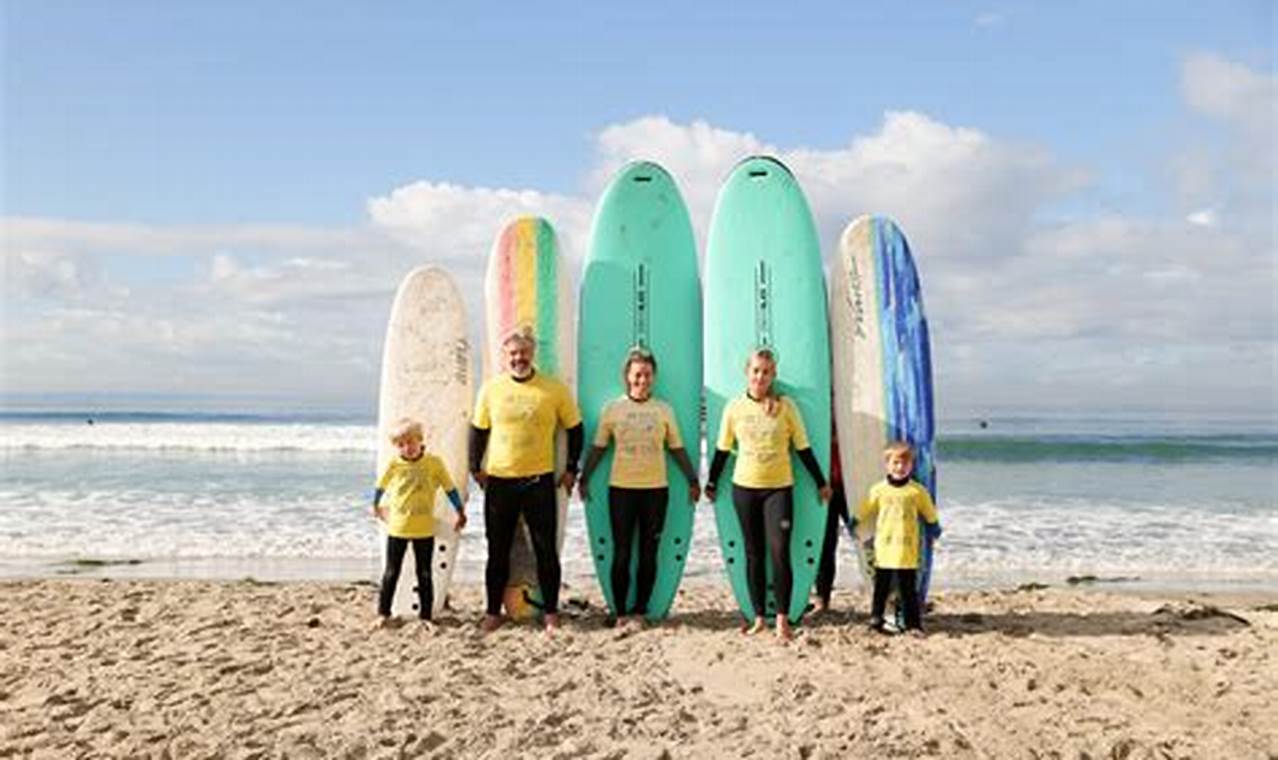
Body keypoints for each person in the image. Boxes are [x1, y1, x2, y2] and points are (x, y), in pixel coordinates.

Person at [704, 347, 833, 641]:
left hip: (778, 489)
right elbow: (723, 450)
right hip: (744, 488)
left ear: (773, 375)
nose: (760, 377)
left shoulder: (786, 407)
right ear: (747, 373)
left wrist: (820, 482)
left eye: (766, 372)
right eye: (756, 371)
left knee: (779, 552)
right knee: (753, 553)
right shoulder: (734, 408)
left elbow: (803, 448)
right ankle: (759, 617)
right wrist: (711, 482)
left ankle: (783, 621)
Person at [469, 326, 584, 634]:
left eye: (523, 352)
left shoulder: (553, 390)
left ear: (533, 354)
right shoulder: (491, 390)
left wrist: (573, 468)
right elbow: (478, 430)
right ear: (505, 356)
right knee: (497, 550)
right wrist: (474, 468)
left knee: (545, 550)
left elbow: (575, 429)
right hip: (500, 481)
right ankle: (493, 612)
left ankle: (550, 613)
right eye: (513, 353)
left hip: (539, 481)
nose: (518, 358)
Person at [578, 348, 700, 627]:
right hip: (621, 490)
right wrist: (585, 478)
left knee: (649, 552)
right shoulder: (613, 409)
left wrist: (692, 479)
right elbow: (598, 448)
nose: (642, 380)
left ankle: (640, 610)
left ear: (653, 377)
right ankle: (621, 612)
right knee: (621, 551)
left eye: (646, 375)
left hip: (656, 491)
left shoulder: (664, 410)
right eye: (637, 375)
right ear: (627, 377)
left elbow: (677, 449)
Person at [372, 418, 467, 627]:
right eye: (401, 444)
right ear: (396, 447)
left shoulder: (434, 463)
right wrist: (375, 505)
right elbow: (381, 486)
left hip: (424, 529)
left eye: (411, 442)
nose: (408, 448)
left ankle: (426, 617)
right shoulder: (394, 465)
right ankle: (383, 613)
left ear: (420, 440)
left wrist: (460, 511)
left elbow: (449, 488)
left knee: (424, 573)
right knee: (391, 572)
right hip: (397, 528)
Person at [856, 441, 942, 635]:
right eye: (895, 463)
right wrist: (856, 520)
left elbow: (928, 509)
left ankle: (913, 625)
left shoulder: (916, 491)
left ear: (911, 465)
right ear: (887, 465)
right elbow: (866, 506)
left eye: (905, 463)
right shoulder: (879, 489)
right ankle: (876, 620)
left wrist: (934, 525)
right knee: (881, 588)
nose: (900, 467)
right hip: (885, 548)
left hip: (907, 550)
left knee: (908, 590)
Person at [813, 432, 851, 614]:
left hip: (852, 486)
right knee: (825, 546)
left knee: (870, 541)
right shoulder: (816, 413)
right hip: (824, 488)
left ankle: (888, 597)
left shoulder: (850, 416)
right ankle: (822, 599)